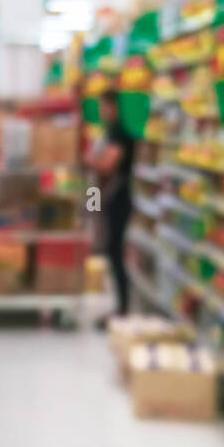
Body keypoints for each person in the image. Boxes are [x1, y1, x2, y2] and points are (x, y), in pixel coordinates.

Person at [88, 89, 135, 329]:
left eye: (104, 106)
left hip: (119, 199)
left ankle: (123, 308)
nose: (101, 110)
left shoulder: (119, 133)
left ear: (113, 107)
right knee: (110, 250)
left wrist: (91, 159)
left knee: (116, 252)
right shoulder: (109, 132)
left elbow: (107, 165)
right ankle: (120, 306)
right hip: (108, 198)